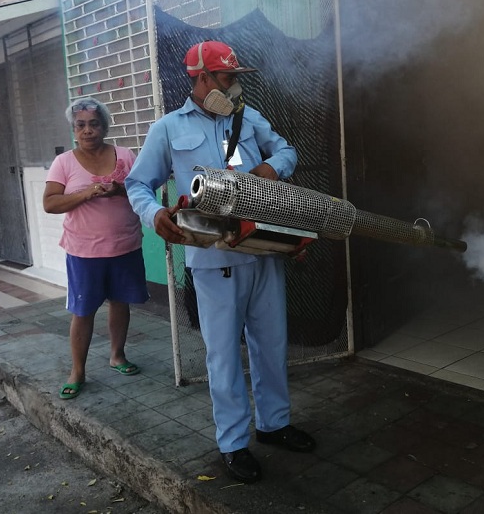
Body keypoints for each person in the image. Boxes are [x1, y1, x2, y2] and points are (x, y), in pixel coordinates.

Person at [125, 40, 315, 483]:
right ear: (202, 78)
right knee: (224, 356)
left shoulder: (247, 118)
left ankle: (274, 424)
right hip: (213, 257)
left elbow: (286, 151)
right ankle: (233, 444)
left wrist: (269, 170)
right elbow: (138, 184)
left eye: (235, 78)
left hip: (264, 247)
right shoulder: (168, 129)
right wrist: (154, 214)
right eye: (227, 77)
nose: (233, 86)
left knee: (271, 344)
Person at [44, 97, 149, 400]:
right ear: (74, 130)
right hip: (84, 251)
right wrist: (87, 192)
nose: (88, 130)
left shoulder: (126, 155)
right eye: (81, 125)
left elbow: (143, 189)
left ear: (104, 126)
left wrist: (121, 189)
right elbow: (50, 203)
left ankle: (117, 355)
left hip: (125, 245)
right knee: (83, 309)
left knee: (120, 302)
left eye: (94, 124)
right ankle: (77, 371)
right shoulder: (64, 162)